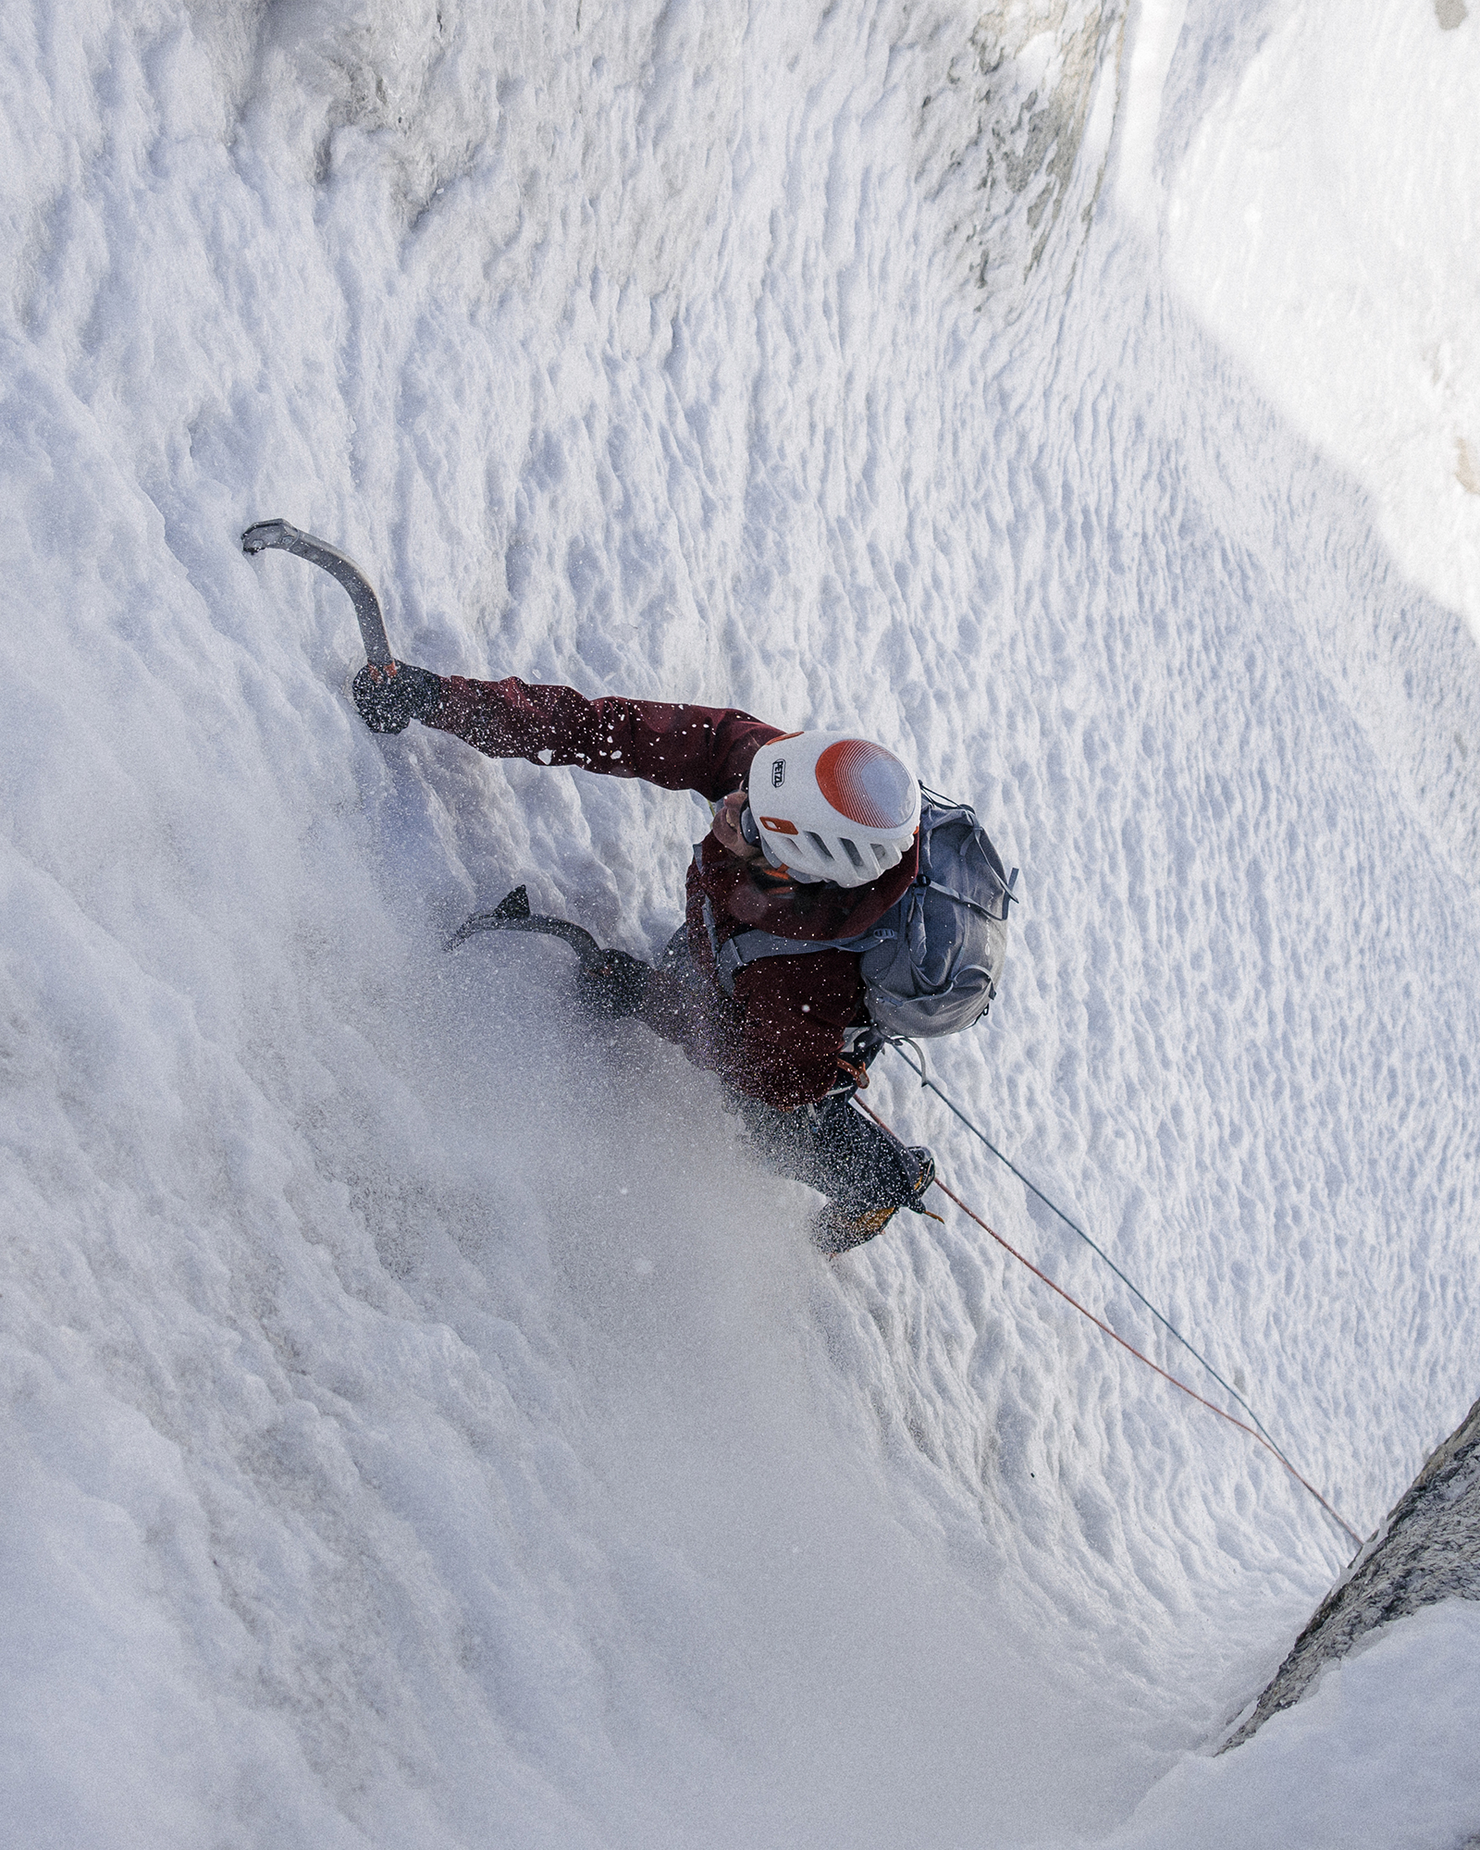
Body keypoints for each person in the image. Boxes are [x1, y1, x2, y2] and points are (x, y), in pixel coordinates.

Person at [352, 658, 937, 1254]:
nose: (730, 802)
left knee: (772, 1125)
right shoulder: (771, 775)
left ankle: (880, 1183)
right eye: (752, 783)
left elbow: (749, 1065)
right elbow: (609, 729)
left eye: (754, 825)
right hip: (734, 944)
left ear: (796, 871)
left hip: (787, 1033)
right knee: (707, 963)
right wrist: (442, 701)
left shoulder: (798, 985)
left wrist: (641, 995)